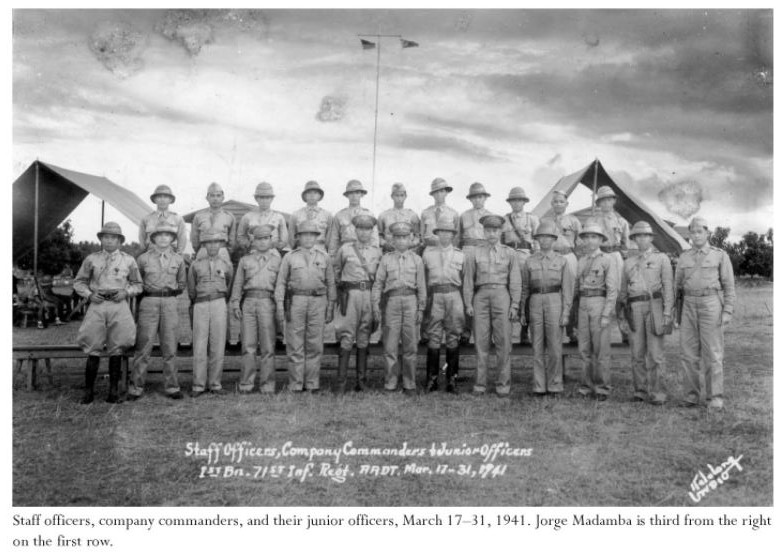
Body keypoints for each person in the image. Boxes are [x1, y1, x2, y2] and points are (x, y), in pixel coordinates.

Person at [73, 222, 143, 404]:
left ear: (120, 241)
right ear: (101, 239)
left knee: (118, 346)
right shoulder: (91, 259)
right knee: (92, 346)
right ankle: (88, 391)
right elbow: (79, 282)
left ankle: (113, 391)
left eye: (114, 238)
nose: (109, 241)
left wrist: (126, 292)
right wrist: (89, 295)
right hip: (98, 303)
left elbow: (138, 284)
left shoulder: (129, 260)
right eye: (106, 237)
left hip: (118, 303)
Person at [675, 216, 736, 410]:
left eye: (700, 231)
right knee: (688, 354)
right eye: (692, 232)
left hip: (711, 304)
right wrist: (677, 314)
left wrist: (727, 311)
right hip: (689, 305)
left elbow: (729, 286)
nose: (696, 235)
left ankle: (714, 397)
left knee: (713, 354)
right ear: (689, 235)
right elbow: (677, 288)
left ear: (707, 233)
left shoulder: (719, 255)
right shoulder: (684, 257)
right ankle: (691, 396)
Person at [463, 214, 521, 397]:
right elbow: (468, 280)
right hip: (481, 296)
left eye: (495, 230)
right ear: (483, 231)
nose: (491, 233)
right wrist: (468, 302)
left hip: (501, 295)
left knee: (504, 341)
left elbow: (515, 281)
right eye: (488, 230)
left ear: (501, 231)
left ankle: (503, 384)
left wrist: (515, 305)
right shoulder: (474, 252)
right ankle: (480, 384)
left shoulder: (509, 253)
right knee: (481, 342)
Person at [275, 221, 336, 393]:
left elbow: (331, 283)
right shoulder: (290, 257)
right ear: (298, 237)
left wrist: (330, 306)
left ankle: (311, 383)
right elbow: (281, 282)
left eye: (312, 235)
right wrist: (280, 304)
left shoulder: (324, 257)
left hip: (318, 301)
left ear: (317, 238)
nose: (308, 238)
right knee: (295, 343)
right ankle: (295, 384)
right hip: (296, 301)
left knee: (315, 343)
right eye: (304, 235)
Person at [128, 224, 187, 401]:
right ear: (153, 239)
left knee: (170, 346)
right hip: (149, 301)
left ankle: (172, 387)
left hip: (170, 302)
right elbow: (135, 281)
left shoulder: (178, 259)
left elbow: (182, 283)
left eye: (167, 235)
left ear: (172, 239)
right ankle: (136, 387)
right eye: (159, 235)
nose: (163, 238)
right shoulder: (143, 259)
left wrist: (169, 293)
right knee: (143, 346)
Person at [618, 221, 674, 405]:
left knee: (656, 354)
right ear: (633, 239)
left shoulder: (662, 259)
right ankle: (640, 390)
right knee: (637, 352)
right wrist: (622, 315)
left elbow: (668, 287)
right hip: (635, 308)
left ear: (651, 238)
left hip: (654, 306)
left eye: (646, 236)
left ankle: (658, 393)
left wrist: (667, 313)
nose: (642, 239)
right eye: (638, 236)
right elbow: (623, 292)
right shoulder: (628, 262)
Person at [520, 221, 574, 397]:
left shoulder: (562, 261)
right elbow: (525, 289)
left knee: (554, 347)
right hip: (535, 301)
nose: (544, 241)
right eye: (541, 237)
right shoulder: (529, 261)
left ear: (554, 240)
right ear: (537, 240)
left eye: (548, 237)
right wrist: (523, 311)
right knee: (537, 346)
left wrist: (565, 312)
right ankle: (539, 385)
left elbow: (567, 289)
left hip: (554, 301)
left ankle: (555, 384)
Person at [372, 221, 426, 395]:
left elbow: (422, 286)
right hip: (393, 302)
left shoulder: (417, 260)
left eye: (404, 237)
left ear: (410, 239)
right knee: (390, 345)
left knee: (410, 346)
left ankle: (409, 383)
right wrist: (375, 305)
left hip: (410, 300)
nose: (401, 241)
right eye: (397, 238)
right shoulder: (386, 259)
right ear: (392, 240)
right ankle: (390, 382)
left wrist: (421, 309)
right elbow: (378, 284)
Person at [230, 225, 282, 394]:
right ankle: (246, 383)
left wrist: (279, 306)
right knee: (248, 345)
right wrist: (235, 302)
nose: (262, 242)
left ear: (270, 240)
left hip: (268, 302)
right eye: (258, 239)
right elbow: (237, 283)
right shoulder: (246, 260)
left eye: (265, 238)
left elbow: (281, 286)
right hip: (249, 302)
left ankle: (267, 384)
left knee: (268, 346)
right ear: (253, 241)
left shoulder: (277, 261)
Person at [333, 215, 382, 393]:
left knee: (364, 334)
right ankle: (341, 383)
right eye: (360, 228)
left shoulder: (377, 251)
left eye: (367, 229)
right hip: (350, 295)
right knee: (346, 336)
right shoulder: (345, 249)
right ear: (355, 230)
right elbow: (336, 271)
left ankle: (361, 382)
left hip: (368, 295)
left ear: (372, 231)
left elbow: (379, 277)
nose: (364, 232)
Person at [187, 230, 234, 397]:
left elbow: (229, 285)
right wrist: (197, 300)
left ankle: (215, 384)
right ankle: (198, 385)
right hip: (200, 303)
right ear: (204, 245)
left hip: (219, 302)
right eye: (209, 243)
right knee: (200, 344)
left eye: (216, 242)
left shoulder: (227, 265)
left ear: (221, 245)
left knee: (218, 343)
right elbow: (191, 288)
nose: (213, 246)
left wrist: (220, 297)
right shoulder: (196, 264)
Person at [575, 222, 618, 401]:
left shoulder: (608, 260)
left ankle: (602, 388)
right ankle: (586, 386)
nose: (590, 241)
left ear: (601, 240)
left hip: (599, 303)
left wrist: (607, 314)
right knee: (584, 349)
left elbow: (612, 289)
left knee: (601, 350)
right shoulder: (581, 261)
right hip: (583, 303)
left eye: (594, 237)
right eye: (587, 237)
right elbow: (578, 287)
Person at [422, 215, 465, 393]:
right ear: (437, 234)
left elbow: (465, 281)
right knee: (434, 336)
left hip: (454, 295)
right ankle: (432, 379)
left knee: (453, 336)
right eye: (441, 232)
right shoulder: (427, 254)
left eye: (448, 232)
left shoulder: (461, 255)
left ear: (453, 235)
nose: (445, 235)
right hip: (436, 295)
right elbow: (423, 279)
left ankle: (451, 378)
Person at [501, 186, 539, 344]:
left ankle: (525, 330)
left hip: (525, 256)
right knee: (508, 290)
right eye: (513, 201)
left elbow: (537, 240)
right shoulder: (505, 219)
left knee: (525, 292)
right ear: (510, 203)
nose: (516, 204)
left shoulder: (532, 219)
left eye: (519, 201)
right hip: (509, 256)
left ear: (524, 202)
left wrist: (535, 259)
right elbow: (501, 240)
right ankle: (506, 331)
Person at [543, 190, 582, 343]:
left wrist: (576, 258)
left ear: (566, 204)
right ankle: (551, 331)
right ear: (552, 204)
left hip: (568, 255)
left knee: (571, 293)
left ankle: (571, 330)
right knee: (552, 291)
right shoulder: (545, 221)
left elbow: (580, 243)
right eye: (555, 201)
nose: (558, 204)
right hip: (551, 256)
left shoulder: (573, 221)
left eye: (561, 201)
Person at [327, 180, 379, 259]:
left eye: (357, 193)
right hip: (345, 252)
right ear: (347, 195)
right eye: (351, 193)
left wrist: (374, 254)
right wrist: (332, 256)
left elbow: (374, 238)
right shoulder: (339, 215)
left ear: (361, 195)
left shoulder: (369, 214)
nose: (354, 196)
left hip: (365, 251)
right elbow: (334, 239)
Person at [237, 182, 289, 253]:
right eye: (261, 197)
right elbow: (240, 236)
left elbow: (284, 239)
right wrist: (248, 245)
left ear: (272, 199)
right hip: (253, 252)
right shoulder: (247, 217)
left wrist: (276, 247)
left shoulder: (278, 217)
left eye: (267, 198)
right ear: (256, 199)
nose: (264, 201)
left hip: (273, 252)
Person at [190, 182, 237, 262]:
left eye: (218, 196)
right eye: (212, 196)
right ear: (207, 198)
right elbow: (194, 238)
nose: (215, 199)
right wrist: (201, 250)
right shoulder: (199, 216)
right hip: (203, 251)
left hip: (222, 252)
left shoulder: (229, 216)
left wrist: (226, 251)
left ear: (223, 197)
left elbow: (232, 240)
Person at [138, 185, 188, 254]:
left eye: (166, 197)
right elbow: (142, 240)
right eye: (159, 197)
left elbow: (182, 239)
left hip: (171, 256)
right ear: (155, 199)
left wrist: (178, 255)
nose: (162, 199)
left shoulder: (178, 219)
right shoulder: (146, 219)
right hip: (151, 256)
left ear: (170, 200)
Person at [593, 186, 631, 276]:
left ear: (614, 201)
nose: (606, 203)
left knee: (615, 285)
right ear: (599, 203)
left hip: (615, 255)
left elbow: (625, 243)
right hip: (598, 254)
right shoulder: (593, 221)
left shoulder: (621, 221)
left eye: (609, 200)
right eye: (603, 200)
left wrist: (623, 256)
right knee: (597, 284)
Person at [288, 180, 333, 251]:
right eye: (309, 193)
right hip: (301, 250)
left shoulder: (327, 215)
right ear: (305, 196)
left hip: (320, 249)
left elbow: (330, 238)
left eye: (315, 193)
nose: (312, 195)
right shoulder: (295, 214)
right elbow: (291, 238)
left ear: (319, 196)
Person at [377, 183, 421, 253]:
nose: (399, 199)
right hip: (389, 252)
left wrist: (411, 244)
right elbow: (378, 236)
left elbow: (418, 236)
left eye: (402, 195)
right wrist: (385, 244)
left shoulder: (412, 215)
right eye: (396, 195)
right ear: (392, 196)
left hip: (408, 252)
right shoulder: (383, 216)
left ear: (405, 196)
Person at [421, 177, 460, 253]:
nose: (439, 194)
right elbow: (422, 234)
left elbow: (456, 236)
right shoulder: (425, 212)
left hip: (447, 250)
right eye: (436, 192)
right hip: (429, 249)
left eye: (441, 191)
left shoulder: (453, 213)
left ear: (446, 192)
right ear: (432, 194)